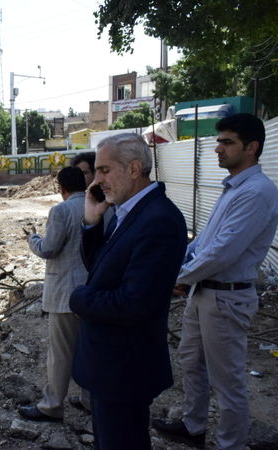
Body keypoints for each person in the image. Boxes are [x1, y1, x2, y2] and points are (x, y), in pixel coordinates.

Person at [152, 113, 278, 450]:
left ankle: (230, 444)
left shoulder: (257, 192)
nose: (218, 149)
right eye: (218, 141)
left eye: (227, 142)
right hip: (204, 292)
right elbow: (203, 242)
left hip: (226, 298)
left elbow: (222, 253)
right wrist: (178, 269)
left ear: (252, 147)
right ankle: (193, 427)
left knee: (227, 380)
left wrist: (173, 280)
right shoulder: (233, 187)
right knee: (191, 361)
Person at [70, 133, 187, 449]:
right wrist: (92, 223)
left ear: (134, 168)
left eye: (105, 170)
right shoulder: (129, 212)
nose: (97, 180)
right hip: (112, 365)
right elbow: (102, 270)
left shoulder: (158, 220)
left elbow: (133, 303)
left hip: (124, 367)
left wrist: (79, 298)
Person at [18, 166, 89, 422]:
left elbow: (49, 249)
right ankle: (87, 400)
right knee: (88, 348)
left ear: (62, 188)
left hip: (65, 294)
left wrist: (33, 239)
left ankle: (52, 405)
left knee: (60, 353)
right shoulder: (99, 206)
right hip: (91, 291)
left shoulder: (61, 210)